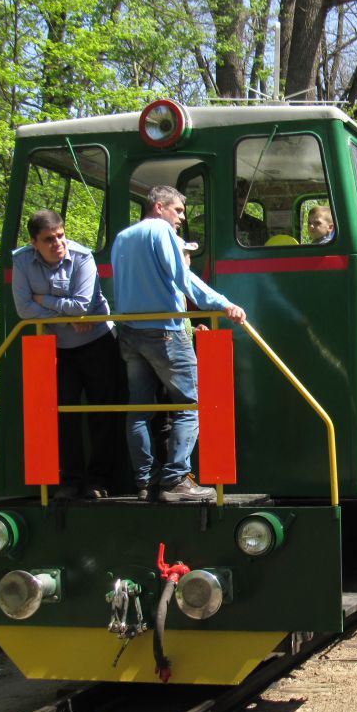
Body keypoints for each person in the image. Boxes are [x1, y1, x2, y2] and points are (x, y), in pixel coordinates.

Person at [112, 185, 247, 502]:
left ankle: (145, 480)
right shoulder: (160, 232)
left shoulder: (122, 238)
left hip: (129, 334)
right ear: (159, 207)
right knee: (190, 404)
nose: (181, 218)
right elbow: (183, 278)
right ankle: (175, 480)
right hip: (164, 333)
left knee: (139, 410)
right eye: (178, 210)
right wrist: (223, 304)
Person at [11, 209, 124, 500]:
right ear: (34, 242)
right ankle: (70, 481)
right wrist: (63, 316)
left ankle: (100, 480)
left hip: (98, 342)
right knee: (63, 415)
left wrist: (44, 302)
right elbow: (23, 309)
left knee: (102, 413)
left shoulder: (84, 257)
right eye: (49, 239)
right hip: (58, 351)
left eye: (61, 236)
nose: (58, 243)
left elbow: (82, 307)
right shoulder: (21, 261)